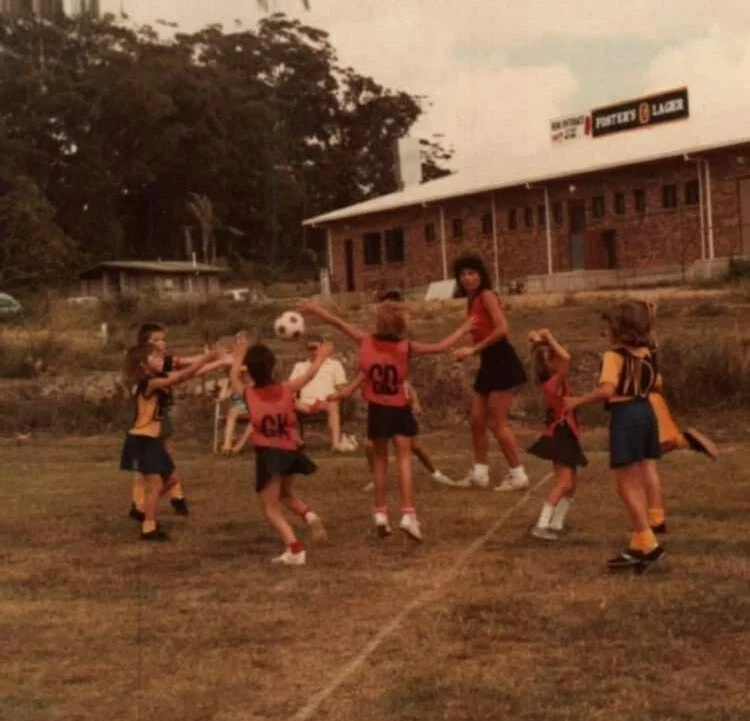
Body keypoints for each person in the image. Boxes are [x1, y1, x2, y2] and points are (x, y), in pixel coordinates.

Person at [299, 298, 472, 541]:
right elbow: (441, 346)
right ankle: (408, 515)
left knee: (379, 464)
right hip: (399, 409)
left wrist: (316, 310)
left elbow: (338, 323)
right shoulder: (406, 347)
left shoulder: (366, 341)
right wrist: (464, 329)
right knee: (404, 460)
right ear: (401, 324)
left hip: (377, 410)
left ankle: (380, 513)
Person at [564, 300, 664, 573]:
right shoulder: (649, 351)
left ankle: (649, 543)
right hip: (646, 412)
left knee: (626, 484)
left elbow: (607, 391)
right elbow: (657, 384)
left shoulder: (613, 355)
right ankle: (637, 545)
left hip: (626, 415)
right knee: (639, 478)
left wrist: (577, 402)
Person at [230, 335, 331, 566]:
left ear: (251, 371)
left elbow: (233, 377)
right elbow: (308, 376)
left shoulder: (248, 394)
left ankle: (294, 549)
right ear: (272, 366)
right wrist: (322, 357)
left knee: (270, 507)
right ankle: (309, 515)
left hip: (269, 453)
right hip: (291, 448)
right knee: (285, 494)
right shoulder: (286, 389)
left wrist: (238, 356)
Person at [120, 344, 222, 540]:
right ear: (143, 364)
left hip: (152, 440)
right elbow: (182, 376)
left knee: (172, 479)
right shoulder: (147, 383)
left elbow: (190, 374)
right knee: (156, 484)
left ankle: (142, 508)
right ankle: (149, 528)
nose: (161, 359)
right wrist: (207, 356)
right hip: (141, 439)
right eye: (155, 356)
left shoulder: (158, 379)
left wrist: (219, 361)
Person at [450, 253, 529, 491]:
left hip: (502, 359)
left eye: (472, 272)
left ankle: (518, 475)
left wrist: (473, 349)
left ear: (481, 274)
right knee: (476, 421)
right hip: (488, 361)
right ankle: (480, 473)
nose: (468, 278)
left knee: (497, 423)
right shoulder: (471, 300)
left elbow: (503, 328)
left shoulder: (486, 295)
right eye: (463, 274)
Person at [331, 371, 456, 490]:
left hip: (399, 409)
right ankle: (377, 479)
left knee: (416, 446)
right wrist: (339, 394)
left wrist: (416, 403)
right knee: (370, 446)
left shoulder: (393, 366)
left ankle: (436, 473)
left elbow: (407, 386)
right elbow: (355, 386)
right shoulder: (368, 367)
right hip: (380, 410)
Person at [526, 329, 588, 540]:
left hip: (566, 433)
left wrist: (539, 341)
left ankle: (556, 523)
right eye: (554, 357)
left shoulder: (552, 378)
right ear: (550, 364)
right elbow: (566, 357)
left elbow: (561, 355)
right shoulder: (555, 382)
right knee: (563, 482)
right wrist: (550, 337)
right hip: (559, 434)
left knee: (572, 485)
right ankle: (541, 525)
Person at [289, 334, 355, 452]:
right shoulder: (300, 366)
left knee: (333, 405)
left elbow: (342, 389)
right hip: (304, 404)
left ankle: (335, 444)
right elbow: (291, 389)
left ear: (322, 348)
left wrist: (336, 396)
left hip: (325, 402)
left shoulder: (334, 365)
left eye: (315, 348)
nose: (313, 351)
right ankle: (292, 444)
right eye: (310, 348)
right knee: (287, 403)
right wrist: (294, 400)